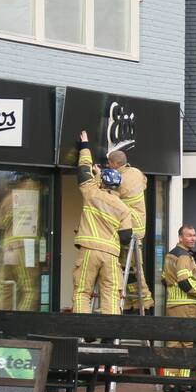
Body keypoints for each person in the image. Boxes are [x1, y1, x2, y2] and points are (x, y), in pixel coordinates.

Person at [72, 131, 132, 314]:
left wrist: (85, 146)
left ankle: (83, 332)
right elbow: (126, 237)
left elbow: (83, 169)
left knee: (82, 291)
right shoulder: (123, 208)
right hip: (111, 255)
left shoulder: (91, 193)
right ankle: (109, 335)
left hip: (89, 250)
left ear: (101, 182)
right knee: (112, 294)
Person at [108, 149, 152, 314]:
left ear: (115, 164)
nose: (108, 166)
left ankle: (144, 302)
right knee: (132, 266)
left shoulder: (119, 179)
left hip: (127, 227)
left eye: (109, 163)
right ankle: (133, 303)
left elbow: (108, 195)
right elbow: (145, 183)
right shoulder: (137, 173)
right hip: (139, 226)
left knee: (125, 266)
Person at [161, 225, 196, 387]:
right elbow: (184, 281)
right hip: (187, 305)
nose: (193, 238)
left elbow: (164, 279)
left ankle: (170, 381)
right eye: (189, 236)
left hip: (173, 304)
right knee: (188, 342)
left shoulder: (170, 255)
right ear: (180, 238)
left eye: (194, 235)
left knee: (173, 342)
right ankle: (185, 381)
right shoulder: (184, 256)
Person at [0, 174, 41, 311]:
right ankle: (21, 327)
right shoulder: (35, 189)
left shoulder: (8, 199)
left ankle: (0, 325)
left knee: (5, 287)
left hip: (8, 245)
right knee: (30, 289)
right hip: (26, 244)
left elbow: (0, 224)